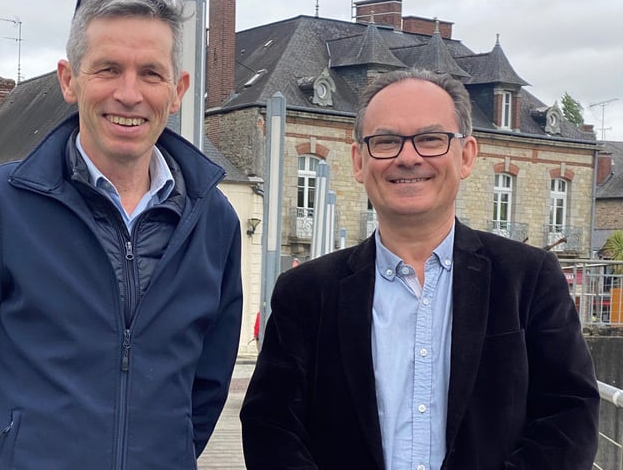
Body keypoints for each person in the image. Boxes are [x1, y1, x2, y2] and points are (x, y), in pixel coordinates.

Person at [0, 0, 243, 469]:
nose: (129, 94)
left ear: (177, 91)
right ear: (69, 80)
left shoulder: (213, 221)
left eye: (150, 73)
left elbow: (208, 386)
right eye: (108, 69)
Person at [240, 68, 599, 469]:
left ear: (466, 155)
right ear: (359, 161)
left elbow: (569, 414)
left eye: (430, 139)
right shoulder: (304, 292)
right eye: (386, 141)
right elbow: (271, 426)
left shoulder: (528, 279)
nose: (408, 157)